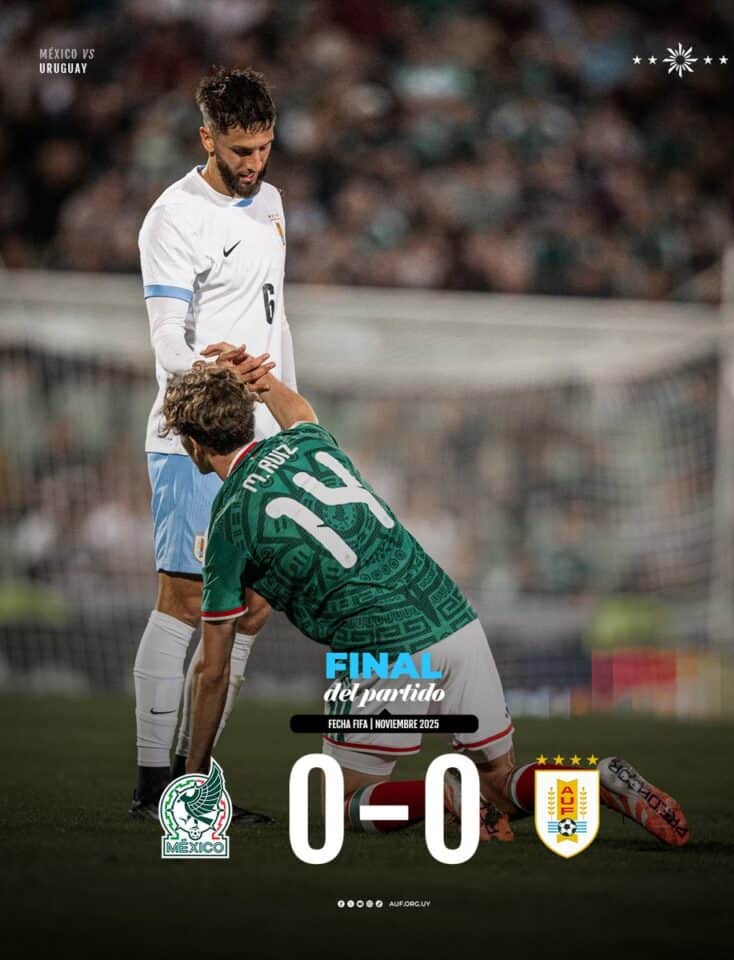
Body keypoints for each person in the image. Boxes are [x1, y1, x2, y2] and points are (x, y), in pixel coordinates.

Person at [160, 364, 690, 847]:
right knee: (502, 785)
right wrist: (258, 376)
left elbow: (212, 669)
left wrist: (195, 774)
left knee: (342, 804)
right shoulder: (308, 442)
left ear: (193, 442)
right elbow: (298, 410)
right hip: (450, 613)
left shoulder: (229, 522)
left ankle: (444, 797)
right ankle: (594, 781)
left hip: (382, 647)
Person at [131, 66, 296, 820]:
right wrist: (218, 370)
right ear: (206, 138)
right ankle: (152, 785)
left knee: (254, 607)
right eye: (238, 150)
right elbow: (167, 340)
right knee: (190, 599)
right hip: (195, 437)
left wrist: (288, 417)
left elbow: (274, 320)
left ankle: (196, 779)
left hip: (260, 440)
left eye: (263, 146)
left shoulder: (272, 203)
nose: (253, 163)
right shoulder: (174, 218)